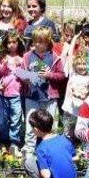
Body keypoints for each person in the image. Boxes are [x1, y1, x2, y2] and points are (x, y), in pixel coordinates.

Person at [22, 26, 66, 154]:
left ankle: (50, 148)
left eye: (41, 42)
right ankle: (29, 150)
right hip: (32, 96)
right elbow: (19, 73)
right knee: (31, 123)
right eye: (35, 41)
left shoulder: (54, 57)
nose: (37, 44)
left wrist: (49, 75)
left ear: (48, 42)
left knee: (51, 123)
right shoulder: (27, 56)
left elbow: (62, 75)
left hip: (49, 96)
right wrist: (25, 78)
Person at [25, 110, 77, 178]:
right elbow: (75, 157)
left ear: (36, 130)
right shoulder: (64, 139)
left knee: (28, 163)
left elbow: (46, 175)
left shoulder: (41, 148)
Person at [0, 31, 25, 152]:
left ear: (18, 43)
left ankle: (14, 141)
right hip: (4, 93)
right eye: (8, 43)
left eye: (14, 42)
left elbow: (26, 75)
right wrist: (3, 65)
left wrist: (20, 66)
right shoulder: (3, 57)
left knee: (16, 118)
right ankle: (3, 140)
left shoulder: (22, 58)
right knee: (4, 118)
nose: (11, 45)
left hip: (17, 93)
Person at [61, 48, 89, 138]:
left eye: (84, 64)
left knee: (82, 132)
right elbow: (69, 54)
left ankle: (83, 148)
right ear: (74, 66)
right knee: (68, 132)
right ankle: (67, 147)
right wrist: (75, 38)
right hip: (70, 109)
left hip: (82, 110)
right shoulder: (72, 74)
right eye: (79, 64)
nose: (82, 67)